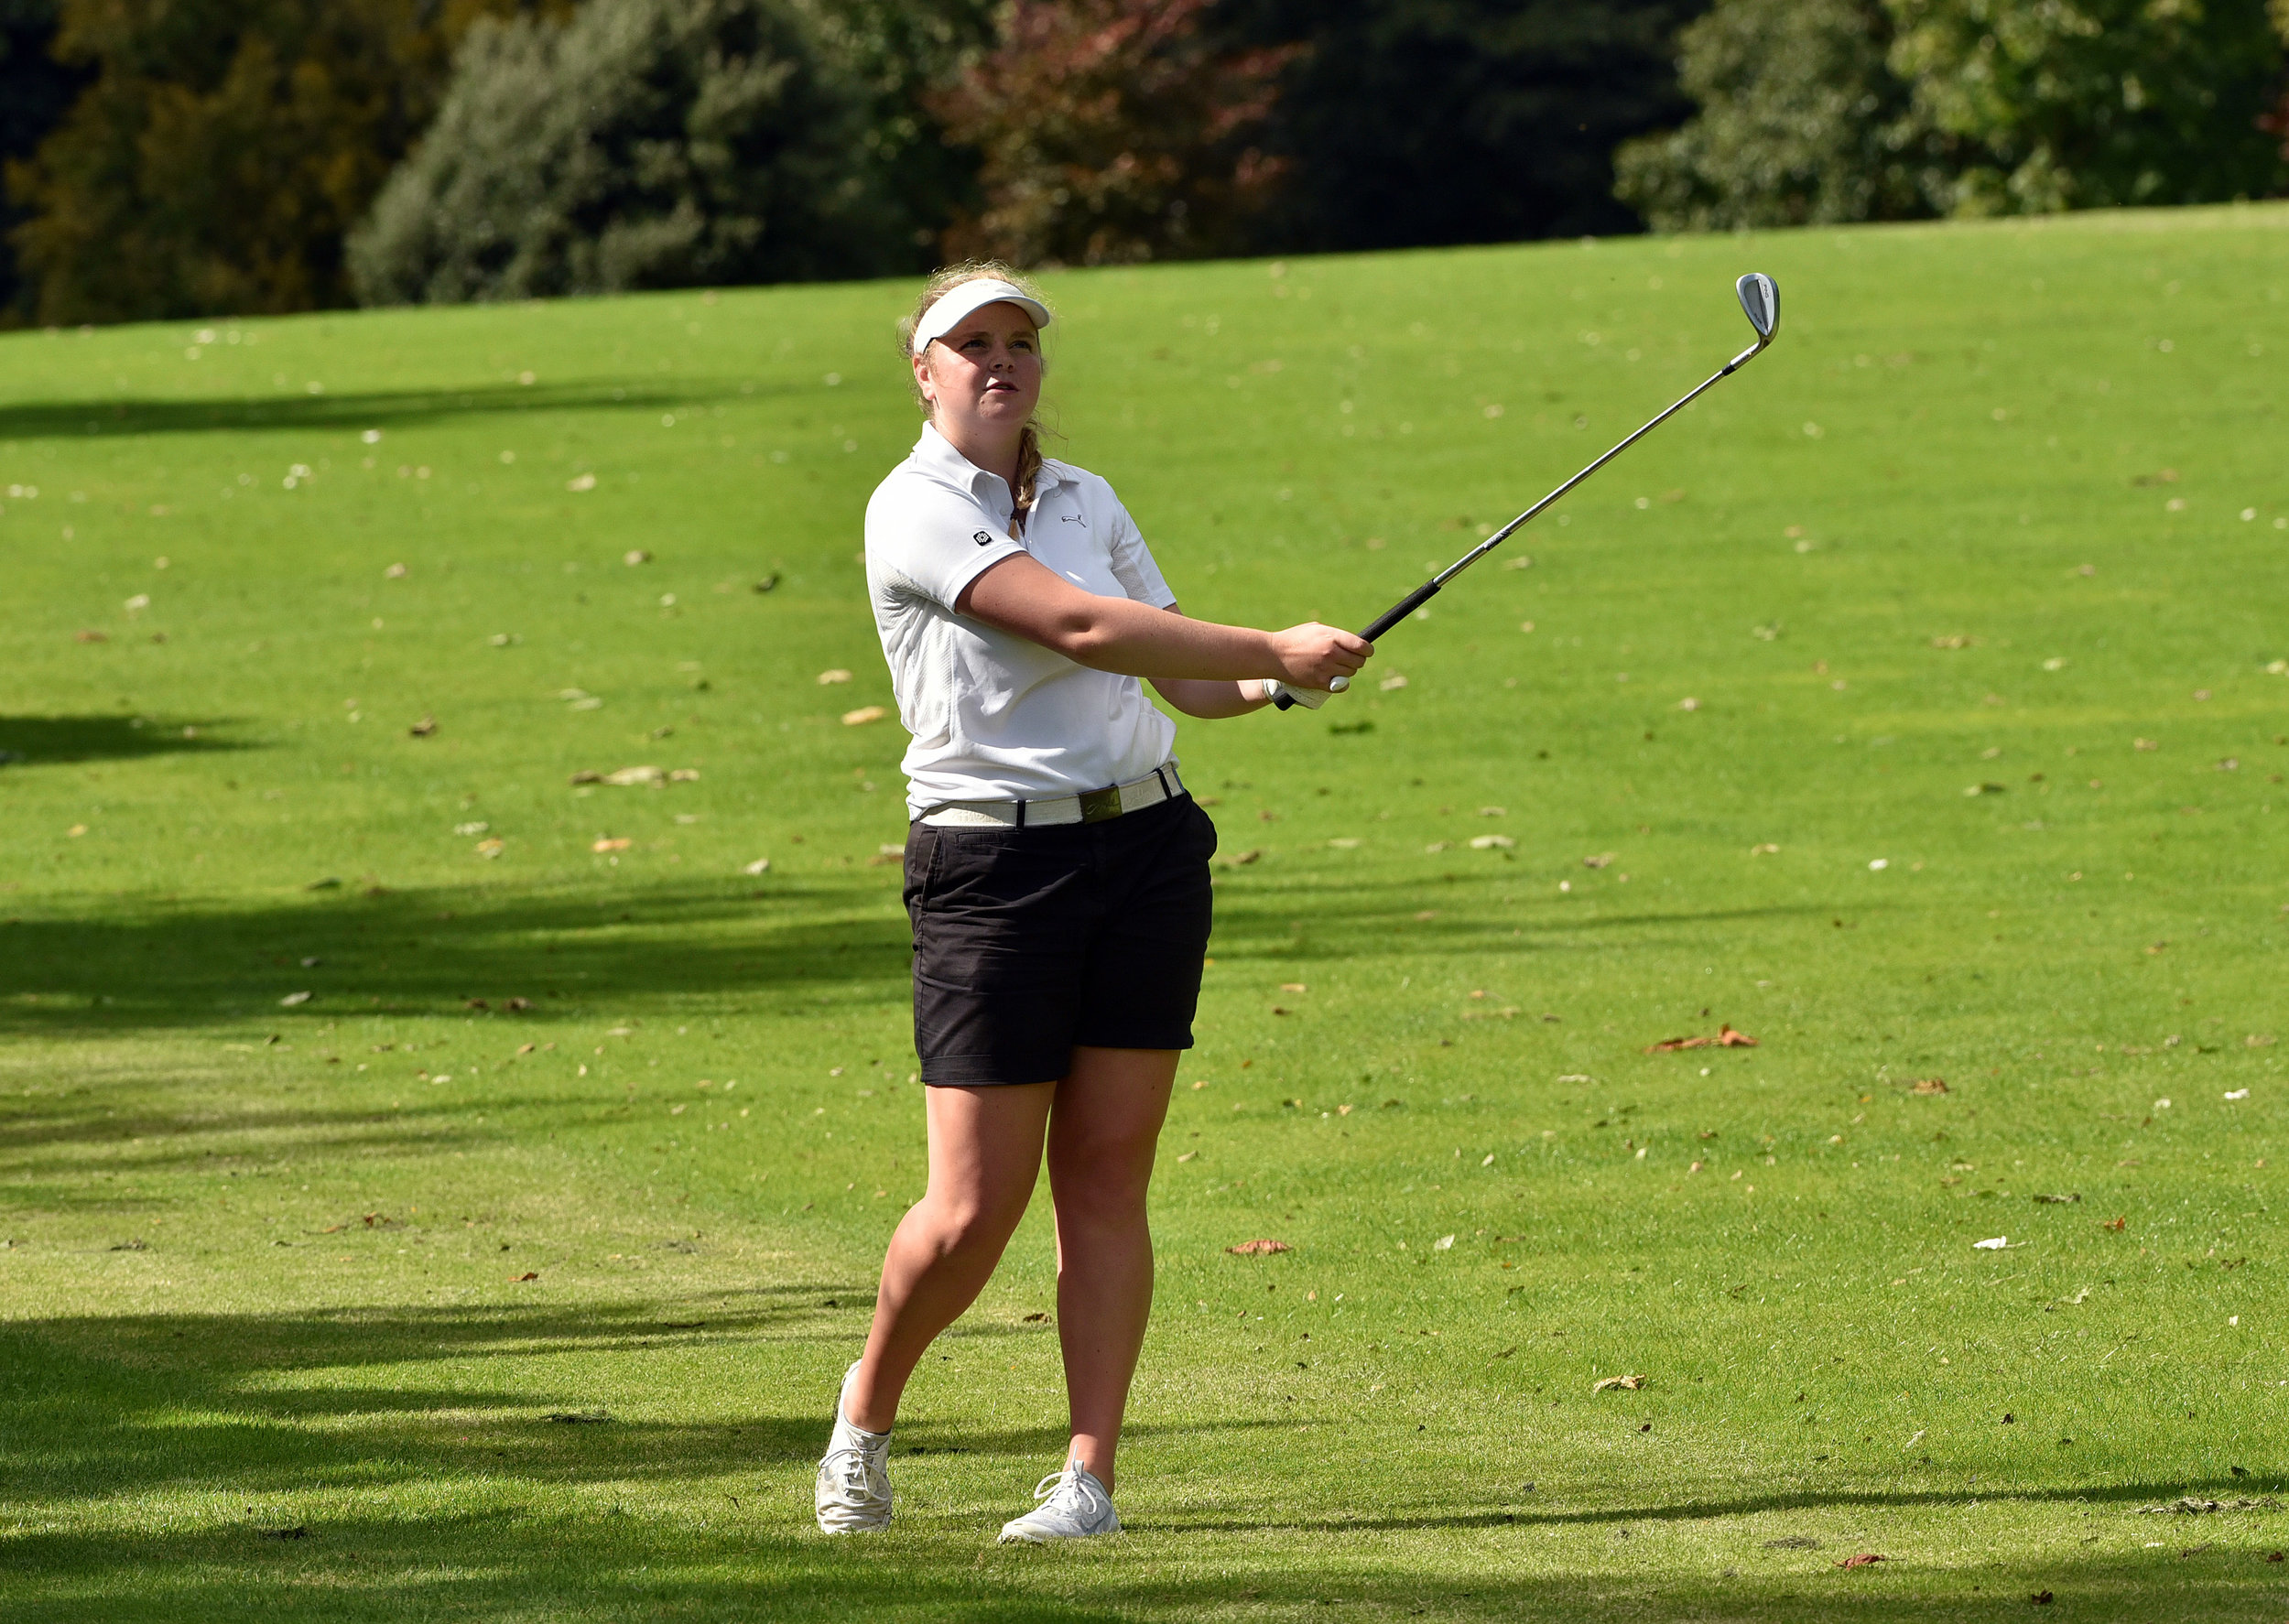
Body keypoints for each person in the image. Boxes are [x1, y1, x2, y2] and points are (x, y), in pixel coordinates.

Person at [813, 263, 1371, 1543]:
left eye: (1020, 342)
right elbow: (1076, 626)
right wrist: (1269, 644)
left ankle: (1088, 1480)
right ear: (926, 371)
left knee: (1107, 1181)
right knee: (970, 1211)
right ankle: (866, 1414)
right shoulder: (911, 509)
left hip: (1147, 851)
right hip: (993, 875)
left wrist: (1281, 684)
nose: (1000, 361)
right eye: (973, 344)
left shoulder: (1086, 496)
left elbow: (1176, 673)